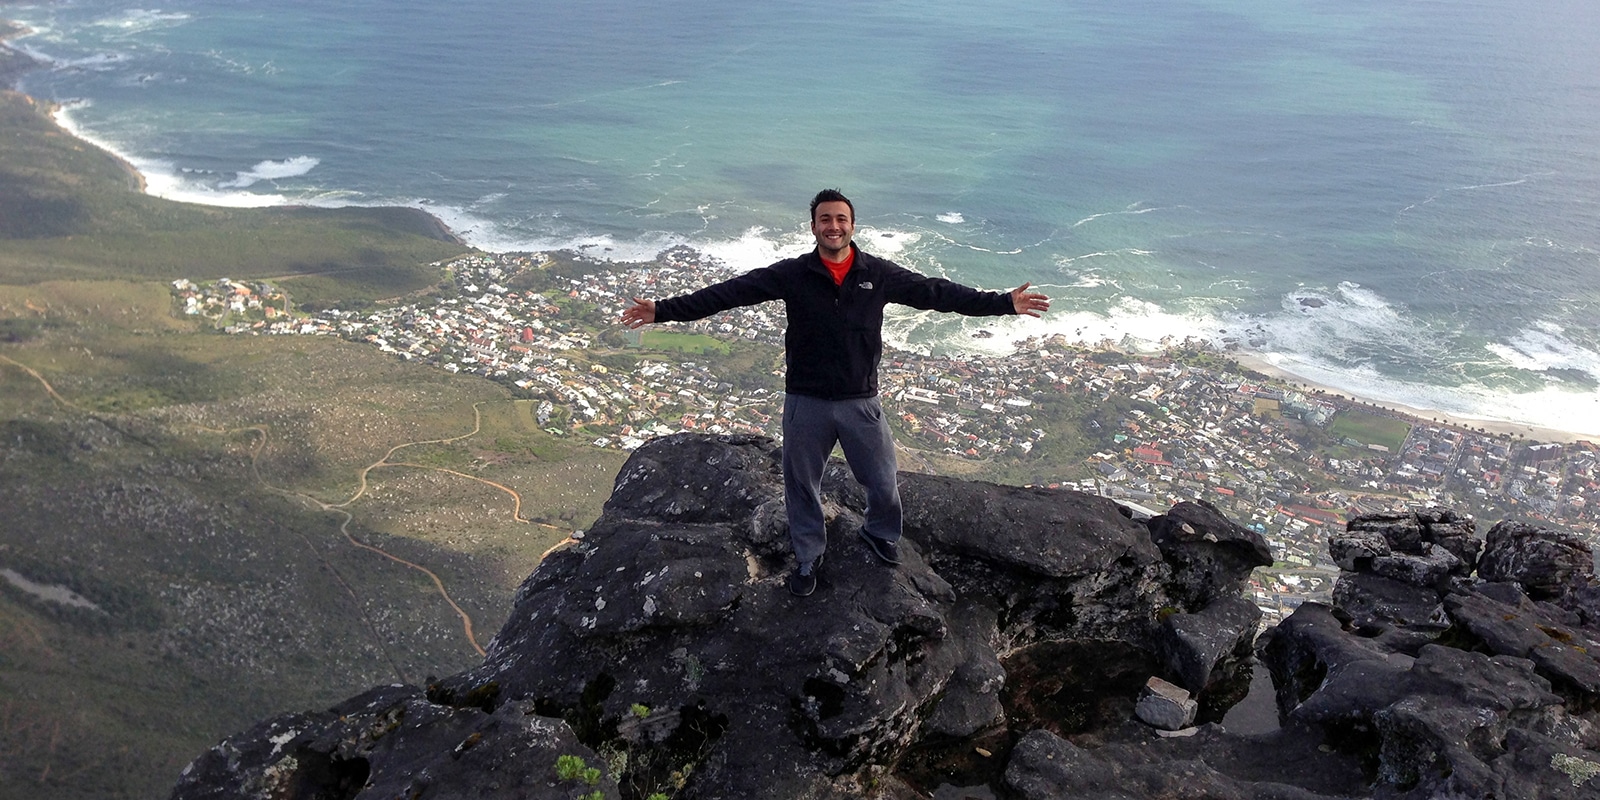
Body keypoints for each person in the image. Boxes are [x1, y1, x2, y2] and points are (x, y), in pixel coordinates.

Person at [622, 189, 1049, 597]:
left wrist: (1002, 303)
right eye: (825, 219)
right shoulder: (793, 274)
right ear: (813, 227)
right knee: (801, 485)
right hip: (805, 400)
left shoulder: (877, 274)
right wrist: (662, 310)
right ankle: (808, 556)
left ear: (853, 226)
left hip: (860, 401)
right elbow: (728, 293)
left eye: (841, 219)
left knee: (882, 481)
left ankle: (881, 533)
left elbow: (938, 293)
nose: (833, 226)